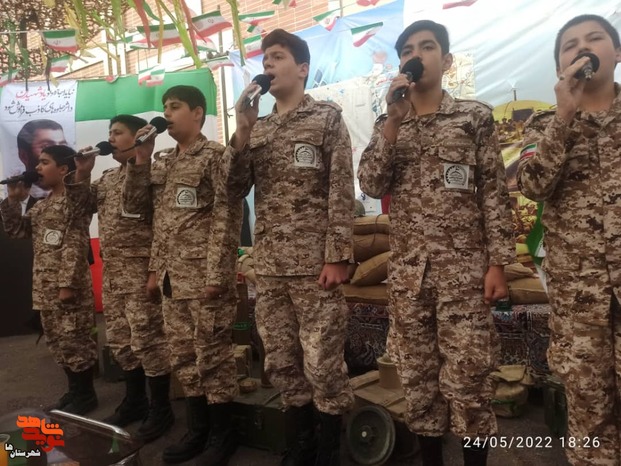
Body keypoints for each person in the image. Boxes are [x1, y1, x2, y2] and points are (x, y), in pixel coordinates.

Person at [358, 20, 515, 466]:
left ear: (445, 61)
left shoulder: (473, 117)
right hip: (410, 279)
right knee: (419, 382)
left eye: (427, 47)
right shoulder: (389, 123)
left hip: (464, 276)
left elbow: (494, 195)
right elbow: (370, 184)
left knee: (469, 381)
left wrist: (498, 264)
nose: (417, 55)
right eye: (408, 49)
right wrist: (392, 121)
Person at [218, 28, 355, 466]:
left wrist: (337, 256)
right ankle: (300, 446)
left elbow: (341, 189)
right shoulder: (257, 129)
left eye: (277, 57)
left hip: (316, 267)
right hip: (272, 267)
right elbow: (231, 189)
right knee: (281, 362)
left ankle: (329, 451)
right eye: (265, 59)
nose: (268, 65)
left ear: (302, 68)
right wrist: (242, 129)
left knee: (323, 363)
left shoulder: (326, 118)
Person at [517, 14, 621, 465]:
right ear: (560, 66)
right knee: (591, 422)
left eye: (594, 38)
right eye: (570, 45)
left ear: (616, 52)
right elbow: (532, 185)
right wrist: (564, 115)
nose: (583, 47)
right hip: (581, 304)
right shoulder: (543, 125)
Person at [123, 86, 242, 465]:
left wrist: (217, 274)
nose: (167, 114)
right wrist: (141, 159)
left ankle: (223, 435)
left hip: (204, 277)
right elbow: (139, 210)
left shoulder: (215, 156)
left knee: (213, 356)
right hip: (172, 278)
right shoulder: (161, 161)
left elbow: (227, 215)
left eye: (175, 107)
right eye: (165, 108)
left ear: (198, 113)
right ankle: (198, 429)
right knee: (184, 356)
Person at [64, 115, 173, 441]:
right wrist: (82, 173)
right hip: (114, 275)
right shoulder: (108, 177)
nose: (110, 138)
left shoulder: (155, 171)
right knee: (122, 342)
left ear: (138, 136)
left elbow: (157, 221)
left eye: (118, 132)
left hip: (140, 273)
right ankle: (135, 402)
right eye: (109, 132)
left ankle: (161, 409)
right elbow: (79, 208)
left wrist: (155, 271)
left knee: (149, 341)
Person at [0, 144, 98, 415]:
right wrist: (13, 201)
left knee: (76, 341)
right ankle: (74, 391)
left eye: (44, 162)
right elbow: (17, 231)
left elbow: (76, 244)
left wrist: (67, 284)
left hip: (69, 287)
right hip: (45, 289)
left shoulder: (75, 201)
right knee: (58, 342)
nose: (37, 168)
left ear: (63, 169)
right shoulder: (42, 206)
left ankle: (86, 396)